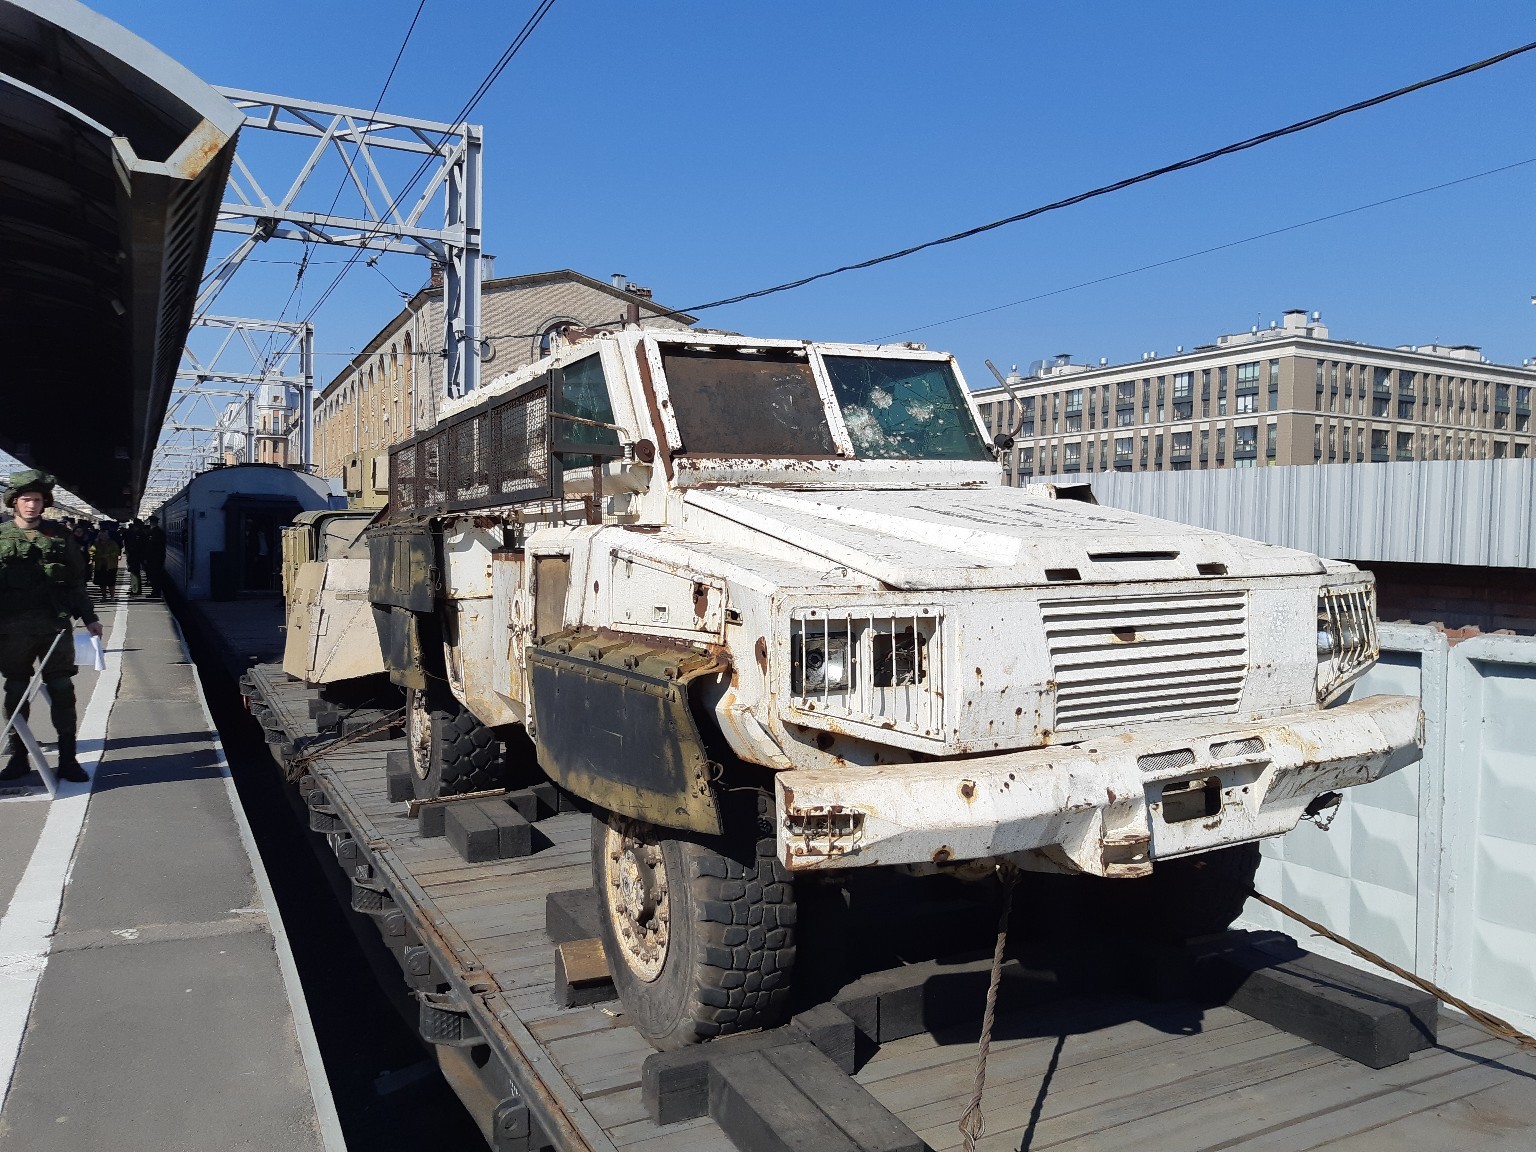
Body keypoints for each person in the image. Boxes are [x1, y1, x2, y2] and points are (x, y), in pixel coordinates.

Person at [0, 470, 101, 783]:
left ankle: (69, 759)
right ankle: (19, 756)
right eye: (26, 499)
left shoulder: (59, 535)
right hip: (12, 628)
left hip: (54, 626)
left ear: (45, 503)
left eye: (37, 500)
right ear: (14, 502)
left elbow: (75, 581)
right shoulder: (1, 538)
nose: (31, 505)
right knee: (15, 690)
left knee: (62, 690)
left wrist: (90, 618)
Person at [91, 526, 120, 599]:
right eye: (101, 535)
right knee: (101, 582)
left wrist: (107, 555)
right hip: (99, 565)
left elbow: (116, 552)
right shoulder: (96, 544)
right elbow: (91, 551)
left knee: (111, 582)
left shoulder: (112, 543)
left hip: (110, 565)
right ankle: (104, 596)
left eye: (104, 535)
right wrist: (94, 556)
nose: (102, 536)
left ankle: (112, 596)